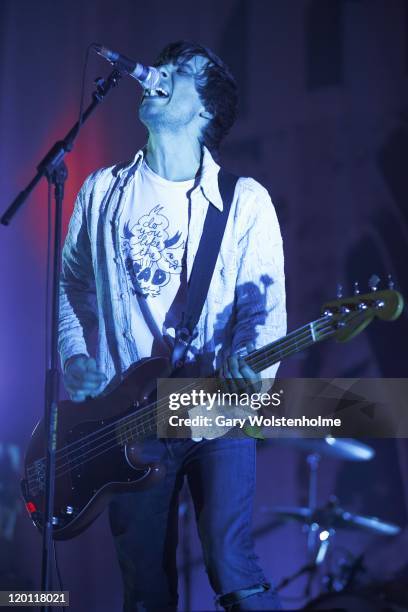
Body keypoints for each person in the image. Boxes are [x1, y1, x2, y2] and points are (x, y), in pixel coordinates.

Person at [59, 41, 286, 611]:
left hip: (215, 404)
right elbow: (72, 285)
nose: (158, 74)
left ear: (206, 109)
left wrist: (249, 361)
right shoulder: (102, 191)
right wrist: (75, 356)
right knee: (145, 591)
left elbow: (262, 311)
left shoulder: (244, 202)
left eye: (181, 72)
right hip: (128, 420)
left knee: (231, 565)